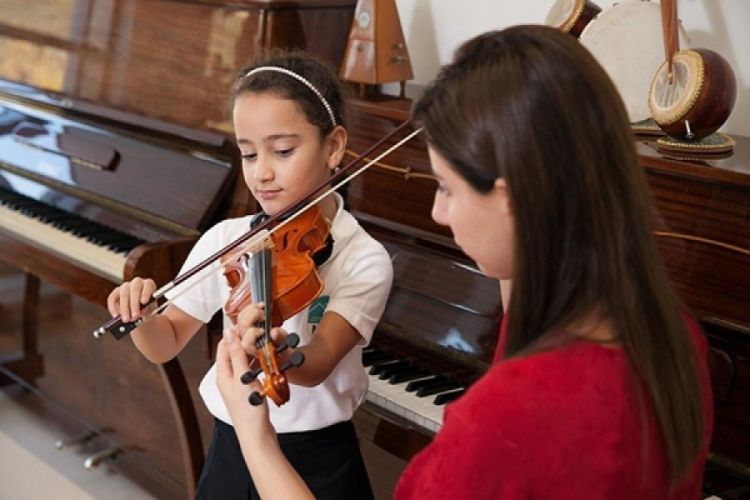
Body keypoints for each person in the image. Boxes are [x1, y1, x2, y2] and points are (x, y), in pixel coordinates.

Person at [215, 25, 713, 499]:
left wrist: (256, 439)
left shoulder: (503, 420)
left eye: (446, 187)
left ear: (511, 199)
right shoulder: (673, 336)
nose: (437, 212)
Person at [105, 50, 393, 499]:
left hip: (316, 459)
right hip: (232, 443)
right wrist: (141, 317)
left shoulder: (363, 258)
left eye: (283, 151)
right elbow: (165, 343)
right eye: (248, 153)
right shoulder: (229, 241)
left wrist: (279, 354)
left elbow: (319, 362)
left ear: (334, 146)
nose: (262, 173)